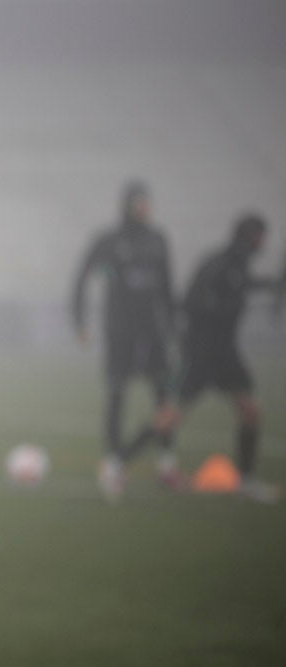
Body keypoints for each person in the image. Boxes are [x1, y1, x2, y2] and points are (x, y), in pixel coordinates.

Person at [124, 213, 283, 503]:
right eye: (260, 236)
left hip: (225, 354)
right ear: (248, 236)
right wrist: (219, 309)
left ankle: (245, 480)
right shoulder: (219, 264)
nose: (263, 243)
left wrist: (270, 285)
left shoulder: (239, 266)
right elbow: (193, 302)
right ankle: (118, 464)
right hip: (202, 354)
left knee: (251, 410)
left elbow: (244, 285)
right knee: (169, 417)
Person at [71, 181, 176, 500]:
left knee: (164, 395)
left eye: (147, 202)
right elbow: (82, 277)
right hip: (120, 332)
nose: (144, 208)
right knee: (117, 395)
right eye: (138, 202)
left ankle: (167, 463)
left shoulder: (158, 240)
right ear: (127, 205)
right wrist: (80, 320)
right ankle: (114, 462)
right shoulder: (109, 241)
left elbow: (168, 289)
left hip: (153, 333)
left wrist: (173, 328)